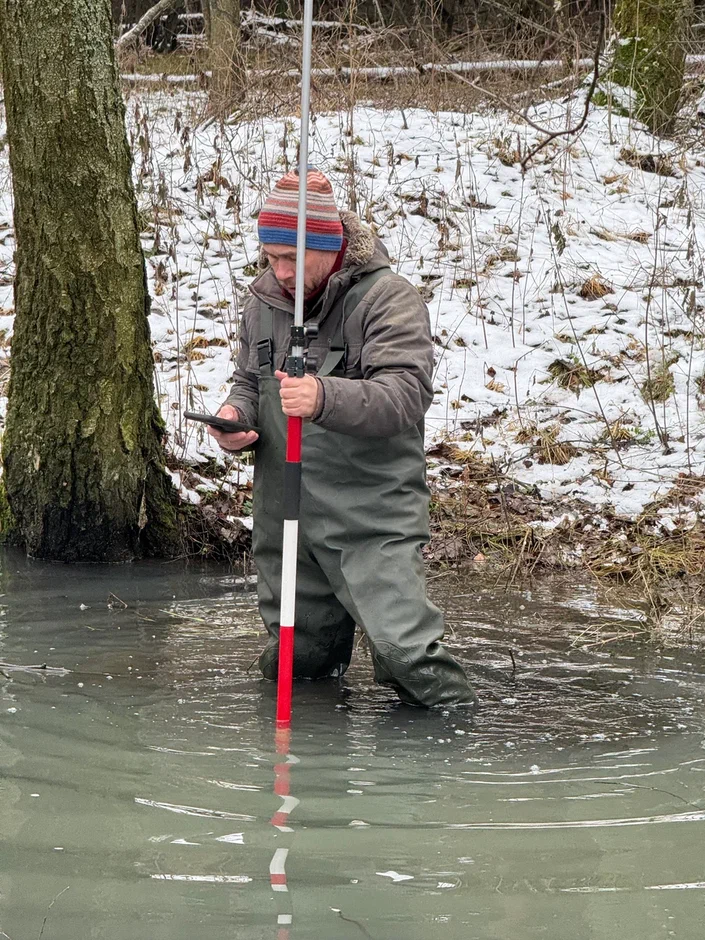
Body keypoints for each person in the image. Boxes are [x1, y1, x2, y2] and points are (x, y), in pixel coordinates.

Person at [209, 168, 476, 708]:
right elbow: (248, 381)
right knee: (296, 663)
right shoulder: (262, 303)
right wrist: (235, 416)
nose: (280, 272)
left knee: (408, 659)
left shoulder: (388, 300)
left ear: (330, 246)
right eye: (270, 257)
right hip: (286, 516)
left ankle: (462, 743)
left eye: (292, 258)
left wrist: (323, 396)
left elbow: (405, 394)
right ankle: (316, 756)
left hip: (370, 517)